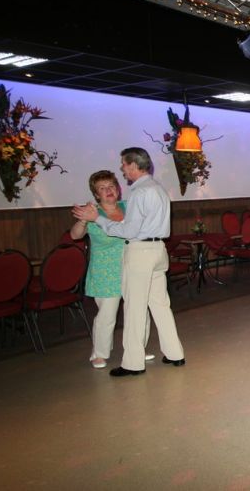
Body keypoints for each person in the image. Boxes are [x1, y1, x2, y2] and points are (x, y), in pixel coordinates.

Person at [73, 147, 184, 377]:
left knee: (134, 308)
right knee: (161, 305)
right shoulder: (158, 188)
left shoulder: (138, 192)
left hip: (141, 252)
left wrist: (98, 219)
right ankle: (175, 353)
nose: (122, 169)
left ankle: (133, 363)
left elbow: (129, 231)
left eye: (124, 164)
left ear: (133, 165)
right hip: (158, 250)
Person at [70, 170, 153, 369]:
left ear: (118, 188)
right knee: (107, 315)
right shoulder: (92, 213)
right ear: (96, 194)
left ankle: (137, 349)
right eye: (102, 188)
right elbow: (75, 235)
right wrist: (83, 220)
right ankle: (99, 354)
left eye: (111, 186)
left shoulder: (129, 207)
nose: (108, 190)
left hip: (133, 267)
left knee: (139, 311)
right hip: (105, 271)